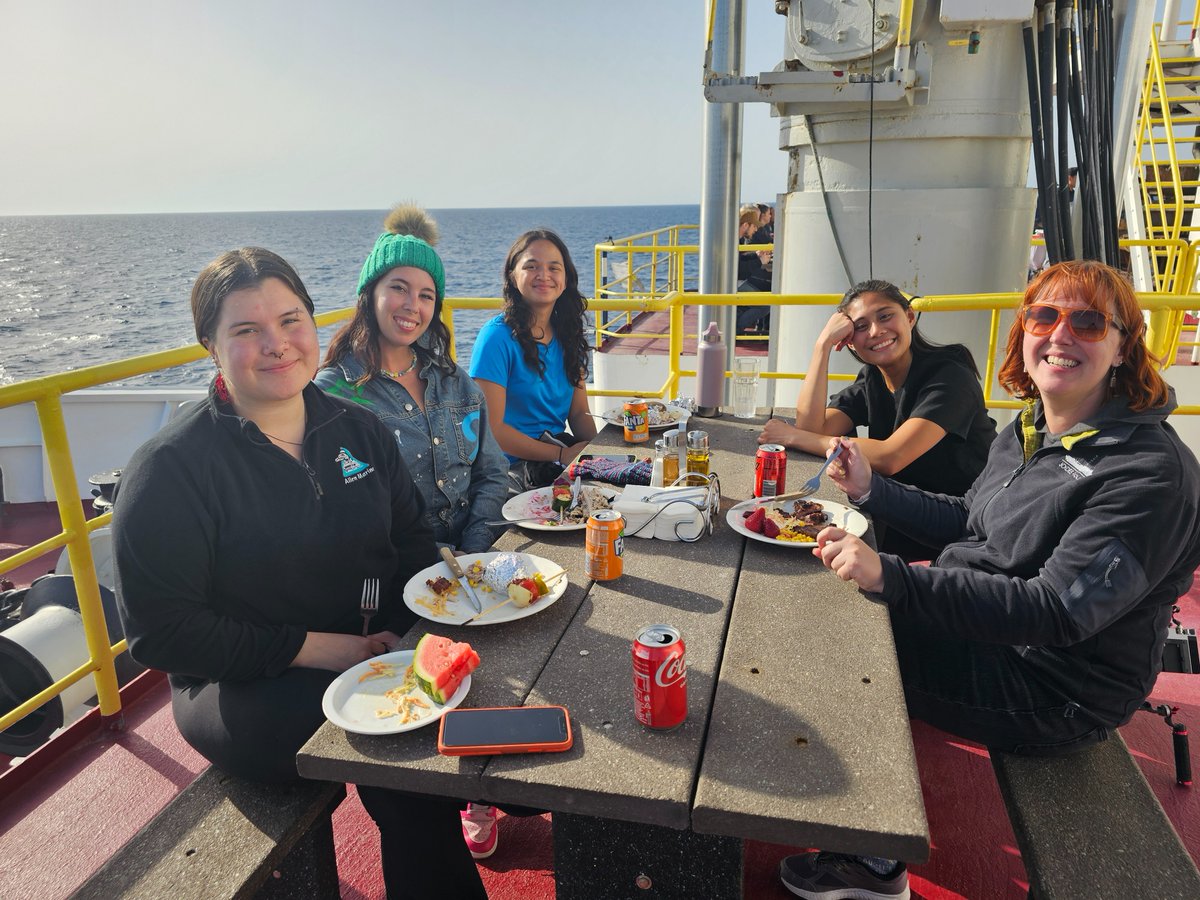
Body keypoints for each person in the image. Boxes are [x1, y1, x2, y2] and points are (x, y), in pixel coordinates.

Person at [780, 260, 1200, 899]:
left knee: (847, 656)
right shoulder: (1033, 425)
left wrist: (894, 579)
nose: (1061, 334)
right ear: (1023, 334)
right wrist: (873, 492)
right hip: (999, 636)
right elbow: (971, 521)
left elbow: (1056, 612)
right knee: (835, 617)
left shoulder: (1148, 474)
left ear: (1123, 347)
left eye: (1088, 322)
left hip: (1057, 684)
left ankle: (871, 865)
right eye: (1044, 316)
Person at [112, 248, 489, 898]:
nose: (277, 345)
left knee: (432, 743)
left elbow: (411, 546)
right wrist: (325, 651)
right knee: (400, 740)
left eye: (290, 321)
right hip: (241, 682)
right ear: (211, 346)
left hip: (368, 648)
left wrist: (413, 633)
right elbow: (164, 635)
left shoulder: (361, 433)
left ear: (316, 324)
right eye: (246, 330)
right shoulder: (172, 470)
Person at [316, 204, 507, 556]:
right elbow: (344, 512)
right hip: (395, 576)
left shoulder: (457, 384)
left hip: (476, 562)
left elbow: (492, 474)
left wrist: (477, 550)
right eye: (399, 288)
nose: (412, 305)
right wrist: (442, 561)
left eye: (426, 295)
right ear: (370, 294)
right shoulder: (332, 395)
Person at [759, 279, 996, 559]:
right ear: (848, 341)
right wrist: (822, 346)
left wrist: (793, 436)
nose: (875, 331)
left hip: (963, 532)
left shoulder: (951, 377)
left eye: (885, 316)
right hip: (901, 517)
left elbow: (890, 457)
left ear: (909, 317)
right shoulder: (874, 377)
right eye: (860, 326)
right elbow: (813, 428)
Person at [469, 228, 597, 493]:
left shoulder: (568, 334)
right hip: (506, 468)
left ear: (566, 278)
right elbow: (493, 431)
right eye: (531, 266)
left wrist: (599, 454)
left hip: (552, 457)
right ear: (513, 276)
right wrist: (561, 455)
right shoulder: (496, 338)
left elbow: (578, 412)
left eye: (554, 267)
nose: (544, 276)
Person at [737, 204, 772, 334]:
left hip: (731, 282)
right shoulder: (736, 240)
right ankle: (735, 329)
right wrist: (759, 261)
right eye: (754, 226)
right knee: (765, 305)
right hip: (732, 285)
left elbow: (738, 262)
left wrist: (756, 255)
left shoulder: (736, 238)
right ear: (746, 225)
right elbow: (739, 271)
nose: (756, 229)